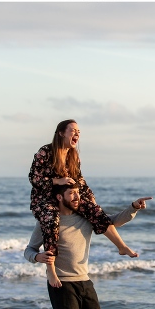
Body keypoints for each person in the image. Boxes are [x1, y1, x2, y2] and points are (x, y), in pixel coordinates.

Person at [25, 181, 151, 309]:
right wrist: (37, 257)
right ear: (59, 197)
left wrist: (134, 207)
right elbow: (29, 250)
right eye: (71, 193)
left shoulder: (86, 217)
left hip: (84, 280)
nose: (77, 196)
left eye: (78, 192)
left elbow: (112, 222)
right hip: (61, 283)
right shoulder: (47, 221)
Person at [29, 120, 138, 289]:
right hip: (44, 199)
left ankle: (122, 247)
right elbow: (34, 178)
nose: (77, 134)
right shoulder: (45, 151)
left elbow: (80, 181)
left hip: (68, 197)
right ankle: (51, 269)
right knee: (50, 219)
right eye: (73, 131)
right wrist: (58, 180)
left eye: (79, 131)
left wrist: (91, 200)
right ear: (61, 133)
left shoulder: (73, 155)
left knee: (95, 212)